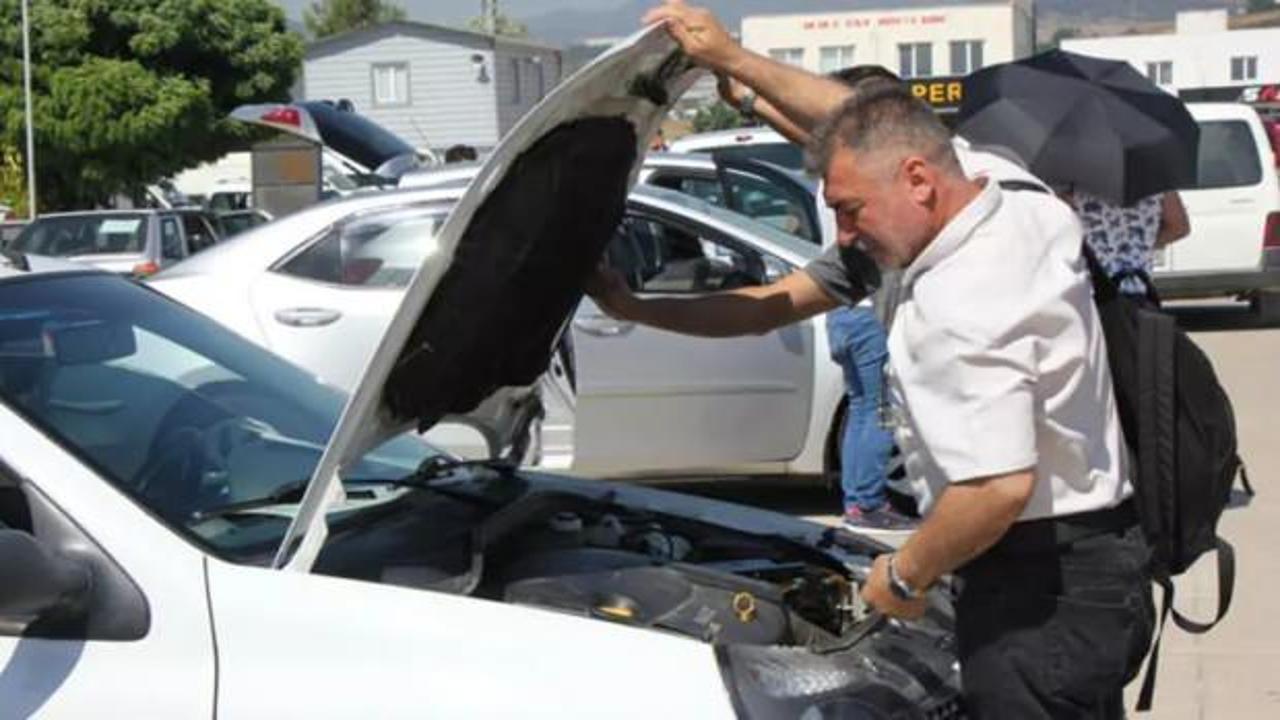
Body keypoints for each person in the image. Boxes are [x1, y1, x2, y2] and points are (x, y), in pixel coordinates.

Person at [591, 4, 1154, 716]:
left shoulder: (963, 301)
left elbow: (995, 489)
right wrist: (734, 65)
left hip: (1039, 583)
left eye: (852, 209)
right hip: (1092, 566)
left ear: (918, 180)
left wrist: (905, 574)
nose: (845, 232)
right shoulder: (1006, 193)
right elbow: (864, 133)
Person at [1064, 188, 1190, 306]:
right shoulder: (1156, 182)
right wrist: (1143, 244)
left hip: (1091, 292)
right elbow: (1179, 227)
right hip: (1136, 286)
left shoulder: (1075, 183)